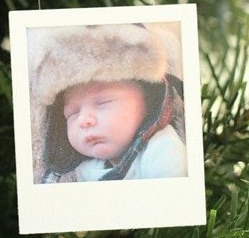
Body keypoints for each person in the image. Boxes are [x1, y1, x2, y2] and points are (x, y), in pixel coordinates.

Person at [27, 23, 187, 183]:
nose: (83, 120)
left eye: (103, 102)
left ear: (148, 102)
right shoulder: (83, 170)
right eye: (72, 113)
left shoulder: (163, 151)